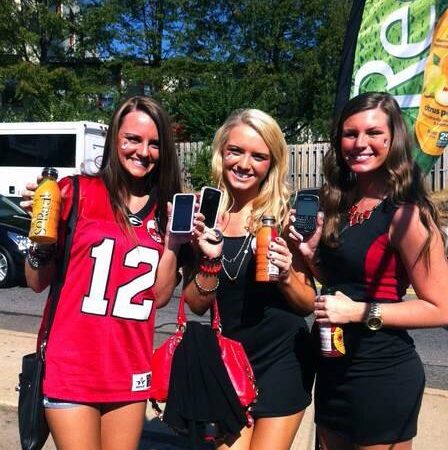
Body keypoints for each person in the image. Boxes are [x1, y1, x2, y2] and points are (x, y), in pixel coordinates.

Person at [21, 96, 184, 450]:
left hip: (129, 369)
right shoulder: (75, 191)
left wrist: (173, 244)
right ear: (114, 139)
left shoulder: (166, 210)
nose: (143, 152)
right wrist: (40, 237)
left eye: (154, 143)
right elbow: (35, 283)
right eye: (132, 139)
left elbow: (159, 297)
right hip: (72, 368)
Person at [289, 92, 448, 450]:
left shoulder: (406, 215)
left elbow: (441, 308)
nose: (360, 143)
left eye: (374, 133)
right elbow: (346, 283)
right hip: (332, 368)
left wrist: (358, 312)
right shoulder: (341, 205)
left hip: (381, 373)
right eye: (350, 133)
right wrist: (311, 256)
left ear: (393, 140)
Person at [184, 109, 316, 450]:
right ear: (221, 152)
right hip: (228, 362)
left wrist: (285, 275)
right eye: (236, 151)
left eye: (258, 156)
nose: (244, 164)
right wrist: (209, 262)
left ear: (271, 163)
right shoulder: (203, 216)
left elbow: (307, 303)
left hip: (283, 361)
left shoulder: (284, 218)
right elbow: (196, 305)